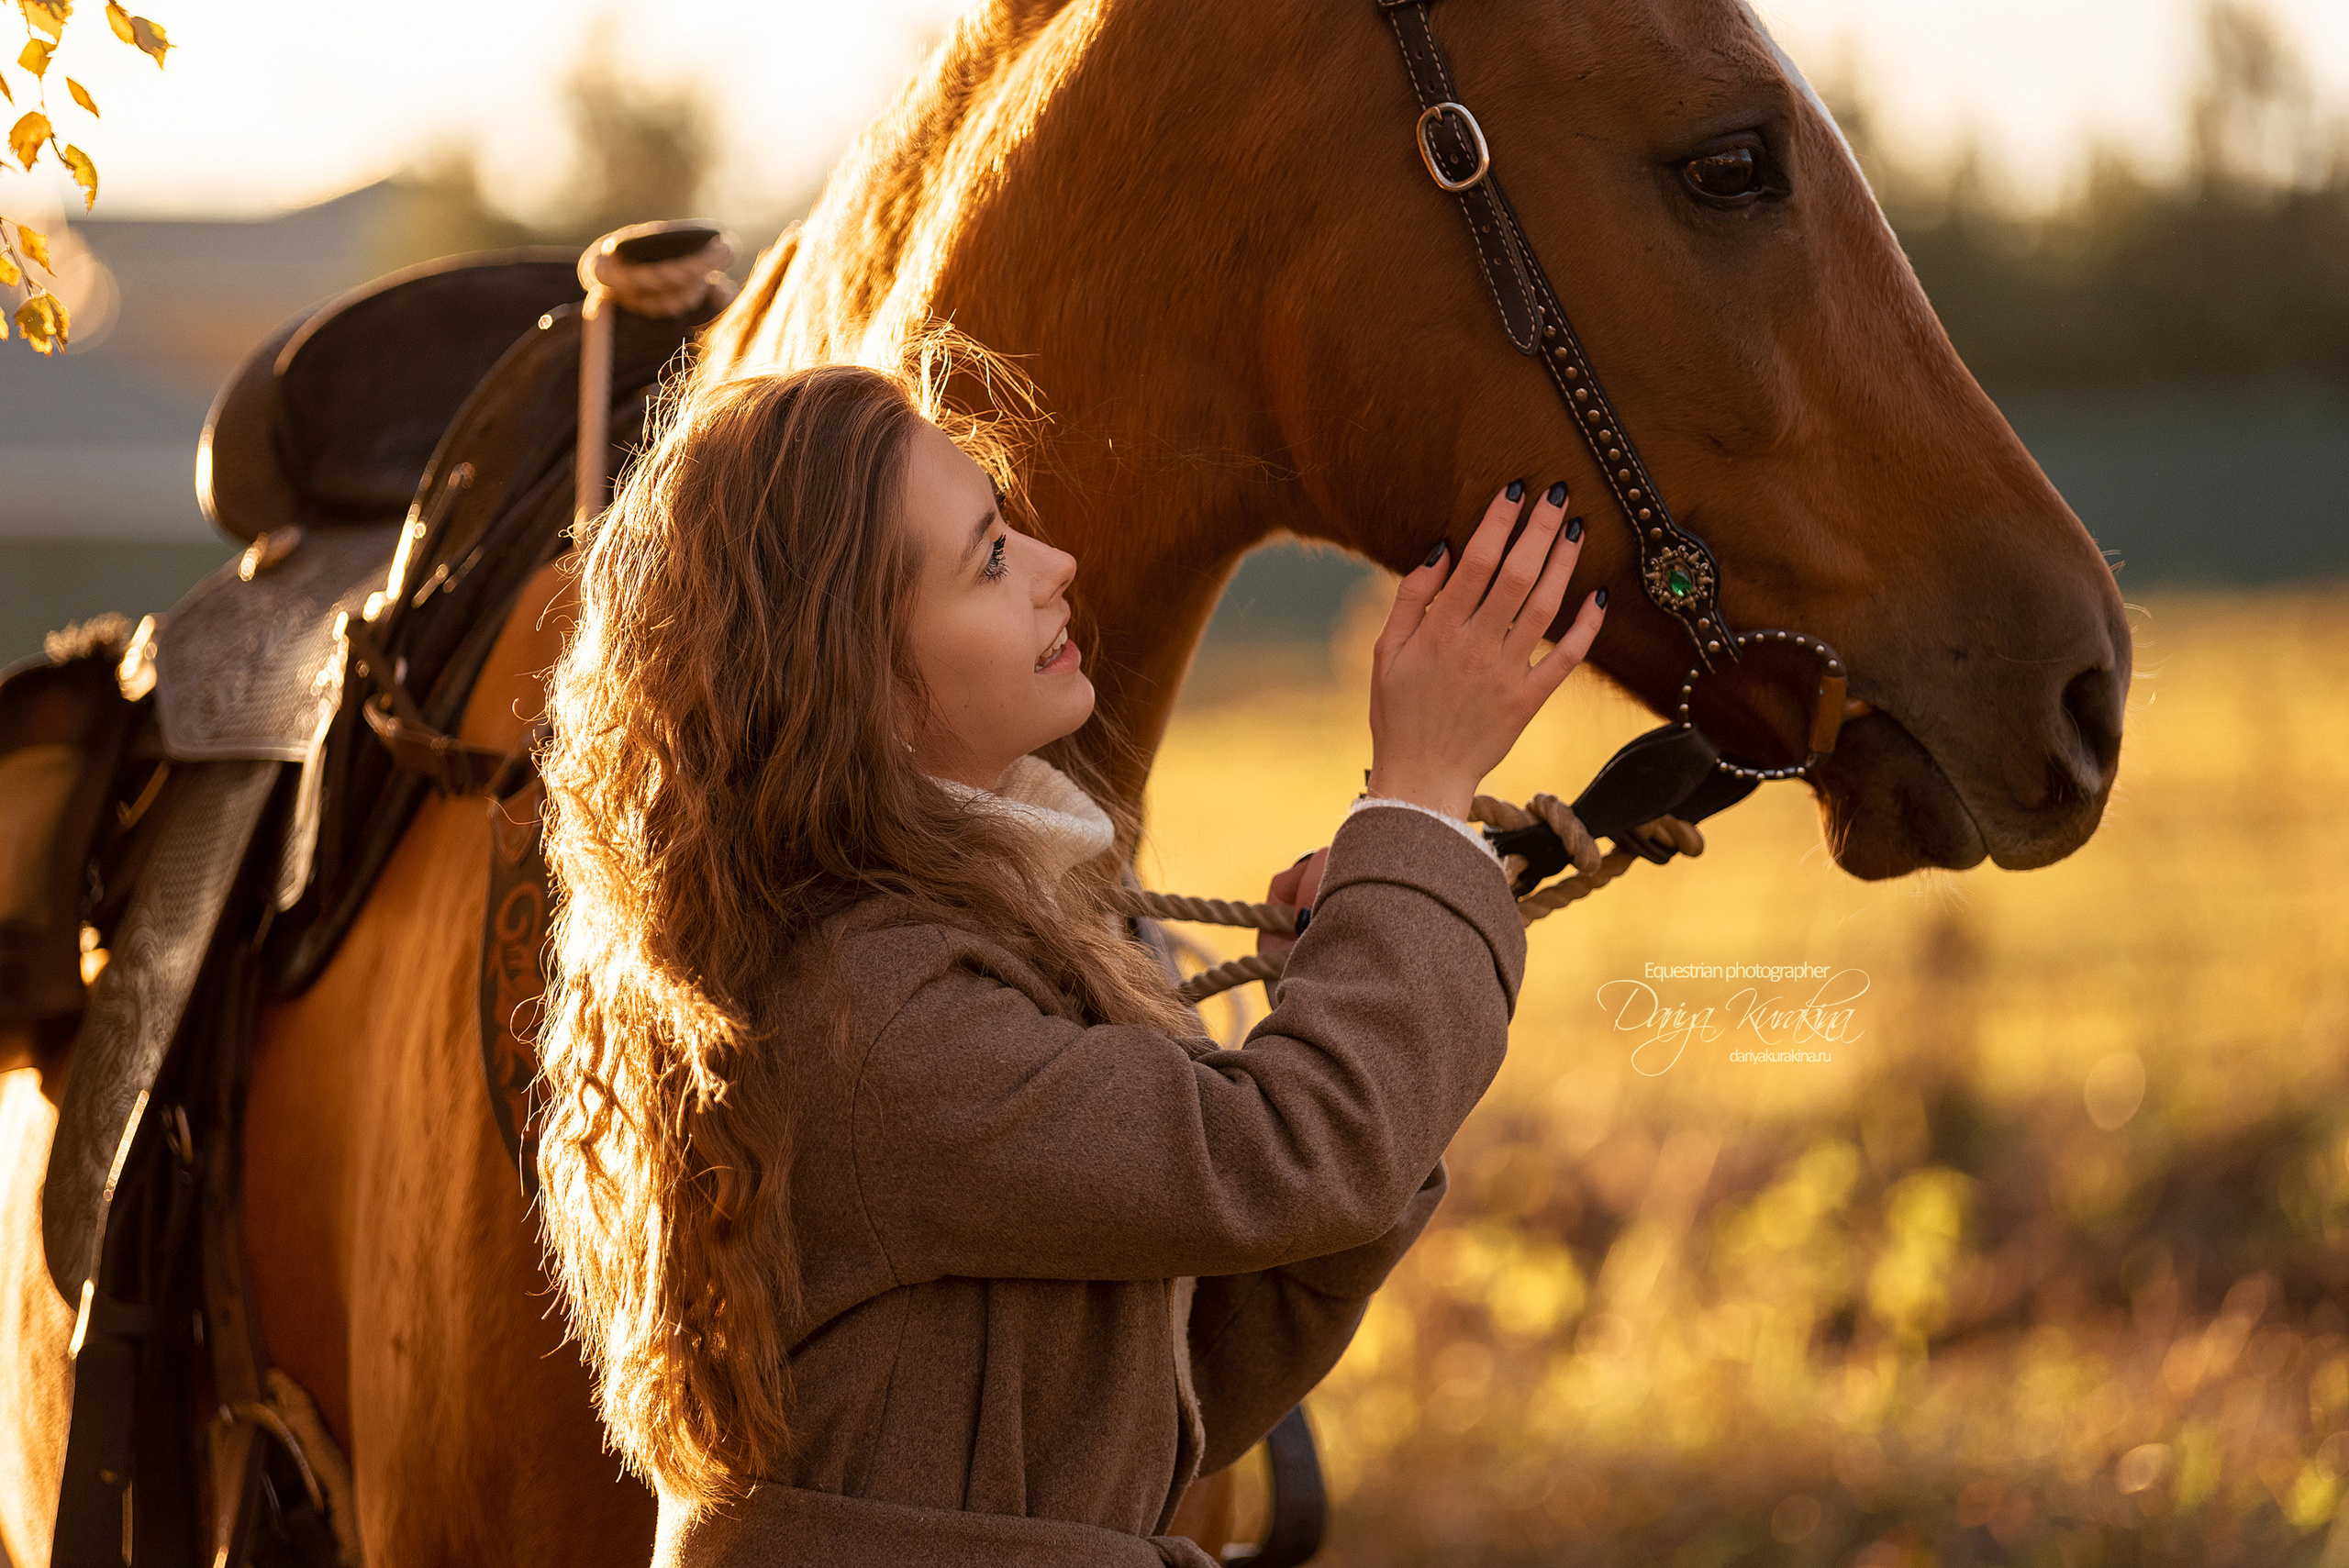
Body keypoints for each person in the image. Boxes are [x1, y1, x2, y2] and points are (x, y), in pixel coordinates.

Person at [534, 352, 1605, 1568]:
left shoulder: (925, 946)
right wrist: (1419, 794)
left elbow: (1157, 1397)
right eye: (991, 559)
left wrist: (1351, 985)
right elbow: (1293, 1156)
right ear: (853, 675)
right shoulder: (875, 1012)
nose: (1056, 568)